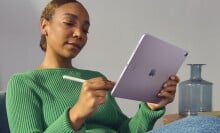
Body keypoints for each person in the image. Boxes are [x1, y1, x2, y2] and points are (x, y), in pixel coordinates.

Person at [6, 0, 179, 132]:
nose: (79, 33)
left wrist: (150, 106)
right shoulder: (24, 83)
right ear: (44, 25)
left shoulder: (94, 78)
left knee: (199, 124)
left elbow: (125, 130)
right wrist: (76, 114)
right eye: (69, 23)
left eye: (85, 29)